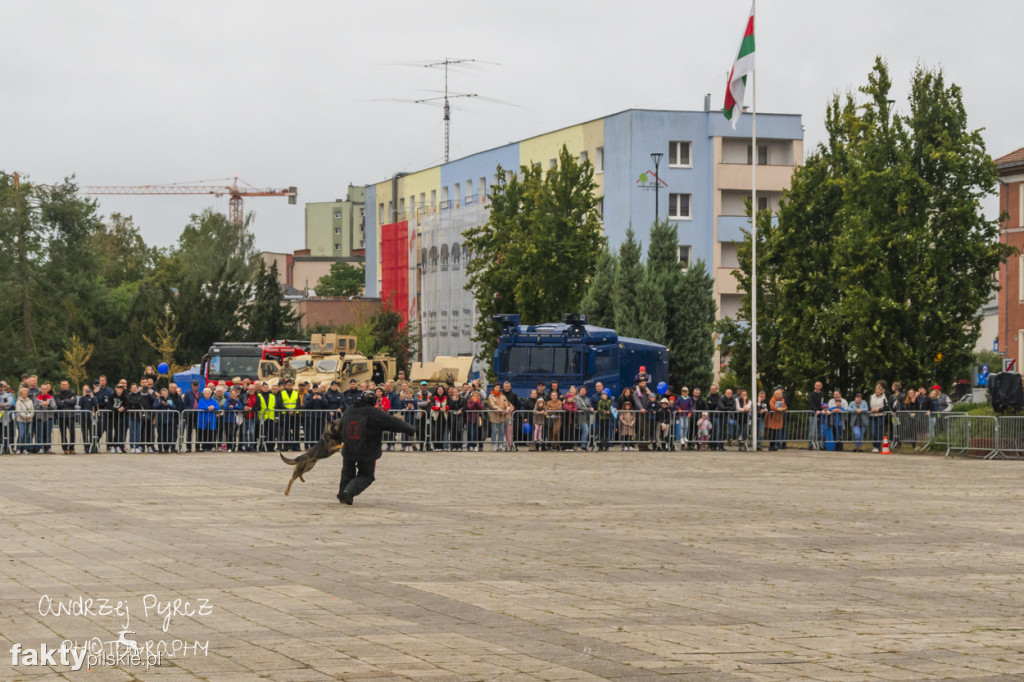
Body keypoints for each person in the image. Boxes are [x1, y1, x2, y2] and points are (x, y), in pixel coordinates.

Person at [336, 390, 418, 505]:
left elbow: (340, 426)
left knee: (347, 472)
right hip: (366, 449)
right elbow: (393, 422)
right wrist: (410, 429)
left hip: (349, 446)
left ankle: (342, 495)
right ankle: (349, 491)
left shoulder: (349, 411)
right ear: (374, 401)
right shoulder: (374, 413)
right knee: (366, 475)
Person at [54, 380, 77, 454]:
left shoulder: (72, 393)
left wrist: (64, 401)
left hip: (71, 416)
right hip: (61, 416)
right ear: (61, 386)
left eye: (66, 384)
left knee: (72, 433)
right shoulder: (57, 394)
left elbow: (74, 402)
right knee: (63, 433)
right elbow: (59, 404)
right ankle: (65, 449)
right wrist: (68, 401)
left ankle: (72, 448)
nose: (64, 386)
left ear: (68, 385)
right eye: (63, 385)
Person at [486, 386, 510, 451]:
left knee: (501, 432)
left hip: (502, 417)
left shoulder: (503, 396)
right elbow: (493, 405)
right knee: (494, 432)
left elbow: (507, 403)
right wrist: (501, 411)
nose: (497, 389)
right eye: (496, 388)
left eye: (498, 388)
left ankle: (500, 445)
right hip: (494, 416)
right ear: (493, 388)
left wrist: (508, 407)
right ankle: (494, 445)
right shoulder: (491, 396)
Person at [197, 387, 218, 451]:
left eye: (208, 393)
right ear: (204, 394)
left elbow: (218, 407)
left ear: (210, 393)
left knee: (211, 433)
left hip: (211, 420)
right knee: (203, 433)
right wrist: (208, 408)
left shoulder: (214, 400)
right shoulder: (201, 400)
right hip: (203, 420)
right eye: (206, 393)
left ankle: (211, 447)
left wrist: (213, 407)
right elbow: (200, 407)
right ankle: (204, 447)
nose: (207, 394)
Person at [868, 384, 888, 453]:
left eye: (879, 389)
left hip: (880, 416)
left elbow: (886, 407)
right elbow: (869, 406)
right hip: (872, 416)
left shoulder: (884, 397)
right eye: (877, 389)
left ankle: (877, 446)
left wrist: (878, 410)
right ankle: (874, 445)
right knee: (873, 431)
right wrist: (871, 409)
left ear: (881, 390)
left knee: (879, 432)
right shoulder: (871, 396)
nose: (878, 390)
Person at [576, 386, 594, 451]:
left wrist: (590, 409)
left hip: (587, 417)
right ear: (579, 391)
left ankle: (584, 445)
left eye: (584, 390)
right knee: (585, 431)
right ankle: (583, 445)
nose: (583, 391)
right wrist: (589, 409)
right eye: (581, 390)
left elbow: (589, 405)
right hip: (581, 417)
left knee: (585, 431)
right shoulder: (577, 398)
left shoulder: (587, 399)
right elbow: (579, 407)